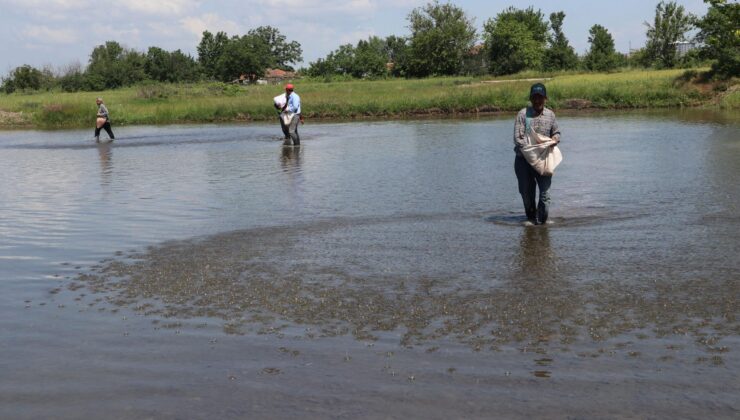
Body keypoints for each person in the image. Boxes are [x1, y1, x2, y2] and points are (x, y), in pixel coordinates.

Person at [513, 83, 560, 226]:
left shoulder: (550, 115)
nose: (537, 101)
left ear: (545, 98)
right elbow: (517, 139)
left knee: (545, 196)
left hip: (544, 161)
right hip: (523, 161)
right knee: (527, 194)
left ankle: (542, 225)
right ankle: (531, 220)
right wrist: (533, 150)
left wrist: (554, 140)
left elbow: (556, 133)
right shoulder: (523, 114)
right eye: (535, 98)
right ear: (531, 99)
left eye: (540, 97)